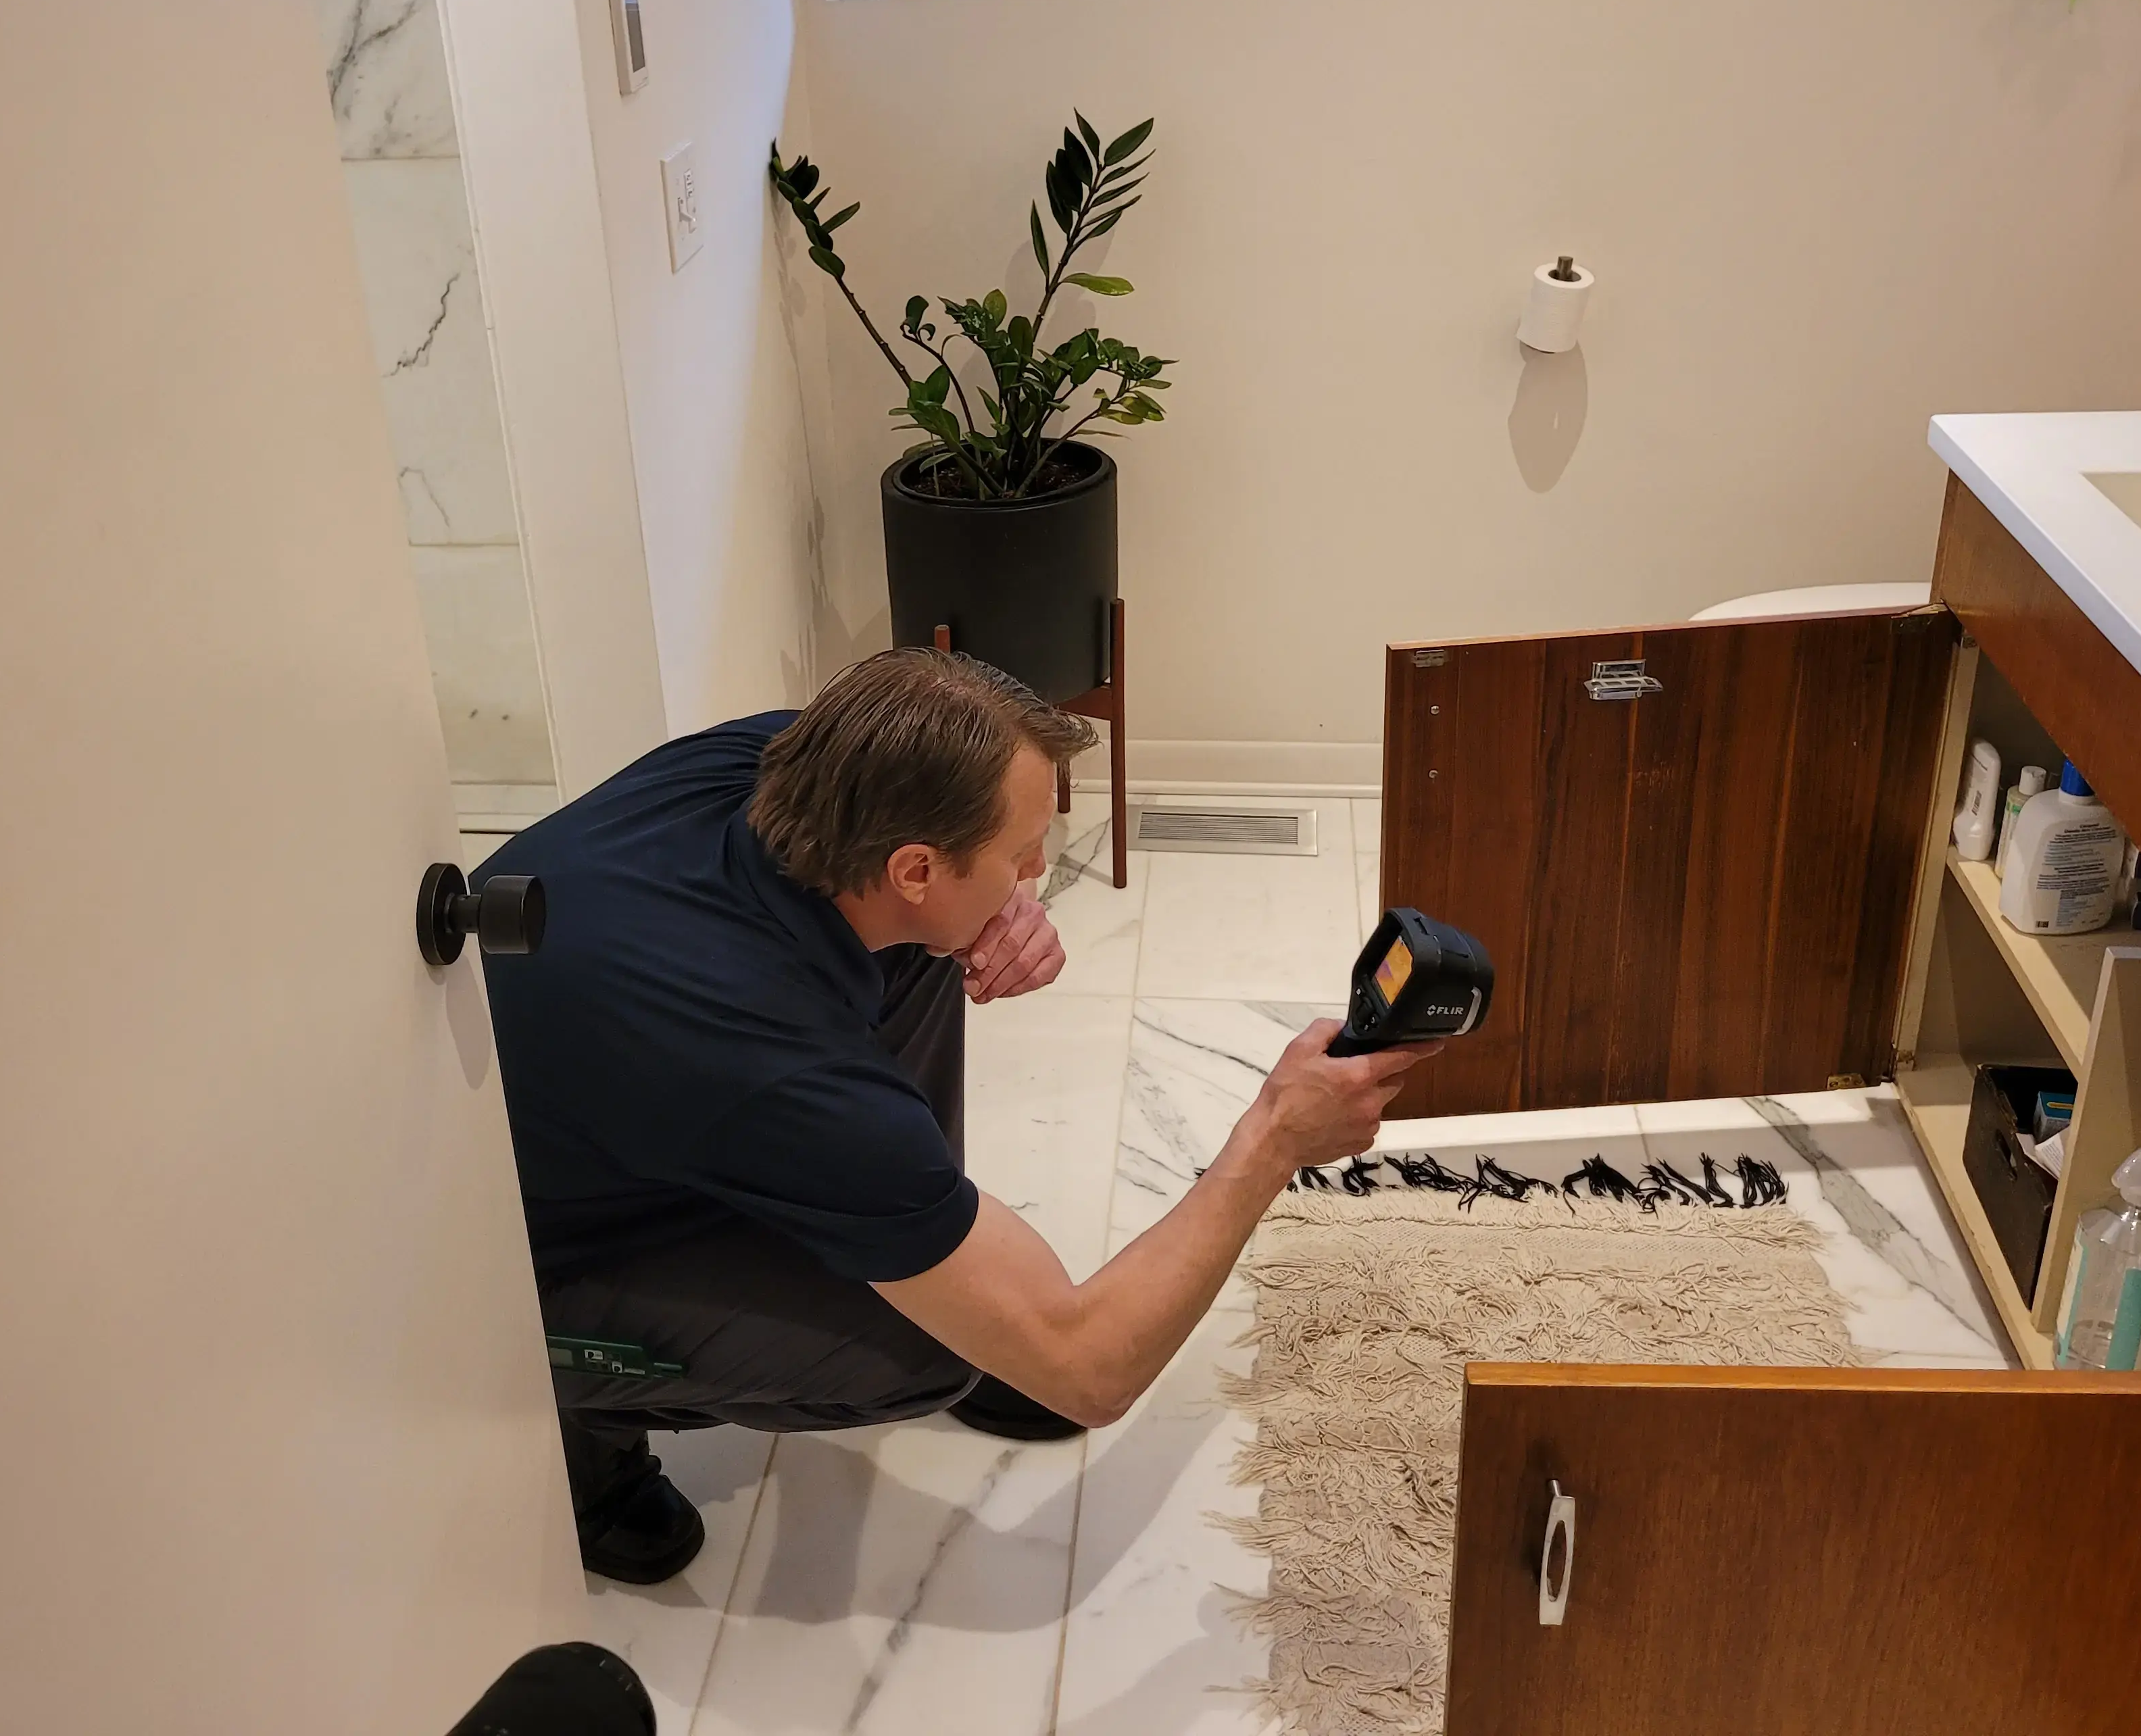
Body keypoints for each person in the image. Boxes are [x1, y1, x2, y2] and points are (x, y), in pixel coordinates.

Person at [472, 649, 1435, 1583]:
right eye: (1023, 858)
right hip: (505, 1270)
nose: (1042, 873)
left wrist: (993, 907)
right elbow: (1092, 1370)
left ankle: (920, 1249)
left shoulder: (778, 764)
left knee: (927, 956)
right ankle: (582, 1427)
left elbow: (902, 928)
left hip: (611, 1106)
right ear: (917, 869)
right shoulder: (782, 1073)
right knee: (924, 1353)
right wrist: (1274, 1135)